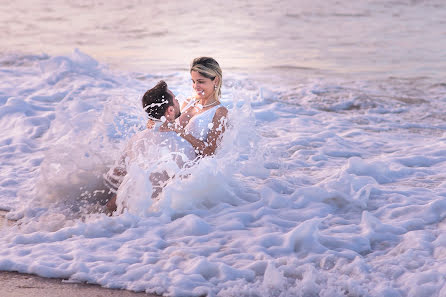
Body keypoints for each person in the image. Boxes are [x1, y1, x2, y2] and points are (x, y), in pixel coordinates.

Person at [104, 80, 195, 213]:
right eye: (175, 99)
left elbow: (117, 173)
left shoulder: (136, 139)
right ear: (169, 111)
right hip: (156, 213)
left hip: (127, 206)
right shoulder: (181, 144)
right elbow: (188, 186)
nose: (178, 101)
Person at [157, 57, 229, 157]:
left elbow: (210, 152)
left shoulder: (219, 112)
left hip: (190, 167)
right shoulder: (188, 103)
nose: (195, 86)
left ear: (215, 81)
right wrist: (156, 124)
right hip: (169, 156)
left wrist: (182, 133)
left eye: (200, 82)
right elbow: (171, 127)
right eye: (193, 81)